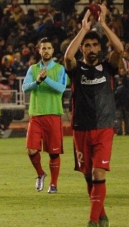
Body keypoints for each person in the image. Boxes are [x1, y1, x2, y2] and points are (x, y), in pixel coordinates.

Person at [64, 5, 124, 227]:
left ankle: (91, 221)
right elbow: (67, 56)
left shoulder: (108, 66)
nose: (90, 48)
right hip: (80, 127)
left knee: (99, 172)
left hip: (104, 126)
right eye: (87, 45)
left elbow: (120, 51)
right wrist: (84, 28)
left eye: (94, 44)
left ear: (99, 47)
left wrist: (104, 25)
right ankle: (102, 214)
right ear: (82, 49)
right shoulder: (76, 68)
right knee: (88, 175)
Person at [22, 37, 67, 194]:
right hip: (36, 114)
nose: (46, 51)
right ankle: (40, 173)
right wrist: (38, 81)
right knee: (31, 149)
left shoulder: (60, 69)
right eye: (43, 48)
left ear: (53, 51)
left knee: (53, 152)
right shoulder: (33, 69)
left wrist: (46, 79)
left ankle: (53, 184)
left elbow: (61, 89)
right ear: (39, 50)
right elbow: (25, 88)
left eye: (49, 48)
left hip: (53, 114)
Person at [115, 69, 129, 135]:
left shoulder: (127, 80)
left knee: (125, 119)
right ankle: (121, 132)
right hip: (120, 104)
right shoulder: (116, 79)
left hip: (125, 104)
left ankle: (124, 132)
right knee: (120, 119)